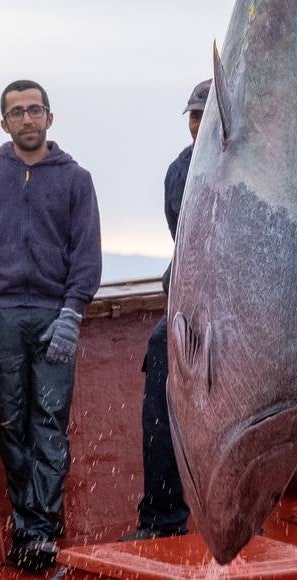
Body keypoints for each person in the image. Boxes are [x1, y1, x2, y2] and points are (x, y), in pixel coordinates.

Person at [0, 80, 101, 572]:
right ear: (4, 123)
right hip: (1, 316)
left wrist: (73, 313)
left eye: (35, 110)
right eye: (17, 112)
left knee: (49, 425)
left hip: (55, 316)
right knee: (11, 426)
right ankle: (33, 529)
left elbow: (87, 257)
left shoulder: (76, 179)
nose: (27, 119)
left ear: (50, 117)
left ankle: (41, 533)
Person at [122, 78, 212, 541]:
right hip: (189, 303)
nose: (198, 124)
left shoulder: (259, 165)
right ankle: (161, 517)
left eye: (206, 114)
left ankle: (242, 511)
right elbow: (183, 236)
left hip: (241, 313)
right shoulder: (179, 170)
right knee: (160, 362)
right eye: (194, 116)